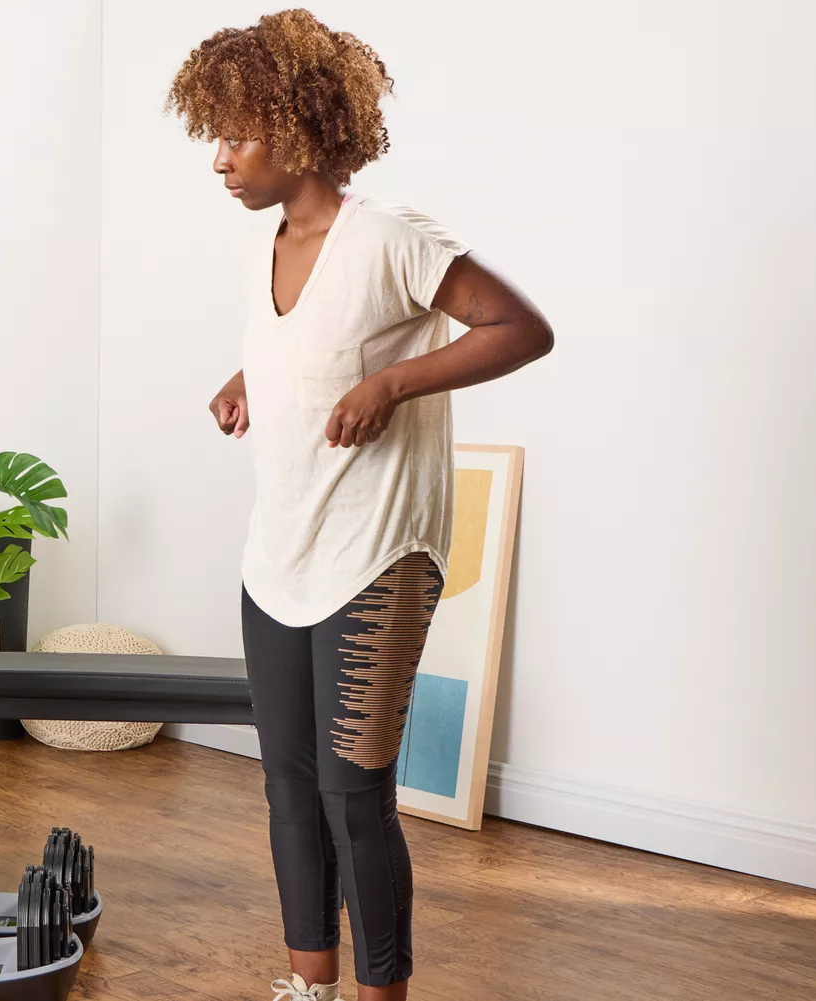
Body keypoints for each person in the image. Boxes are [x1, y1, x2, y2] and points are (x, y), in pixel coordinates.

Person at [168, 11, 554, 1001]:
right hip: (280, 551)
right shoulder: (272, 244)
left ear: (298, 130)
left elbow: (521, 327)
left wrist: (392, 386)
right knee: (289, 786)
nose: (219, 160)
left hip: (376, 553)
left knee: (354, 792)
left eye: (238, 134)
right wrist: (246, 380)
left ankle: (383, 993)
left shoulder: (390, 234)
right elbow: (320, 341)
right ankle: (312, 984)